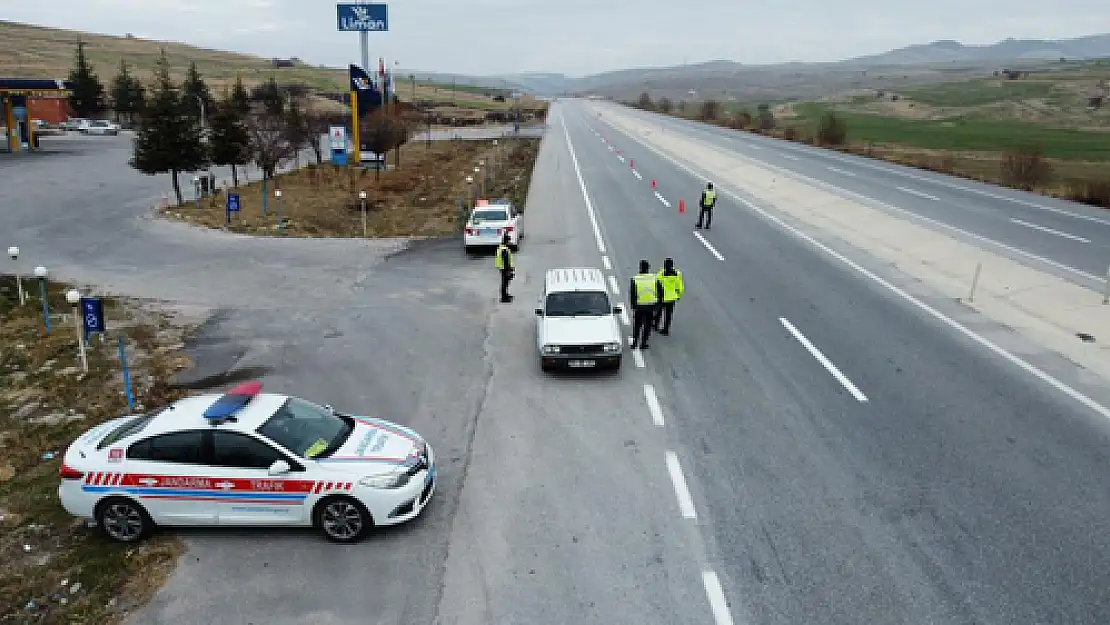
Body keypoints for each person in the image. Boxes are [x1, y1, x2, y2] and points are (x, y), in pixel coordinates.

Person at [629, 259, 663, 350]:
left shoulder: (635, 279)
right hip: (651, 306)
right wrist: (658, 305)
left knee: (637, 325)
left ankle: (635, 342)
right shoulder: (655, 278)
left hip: (640, 306)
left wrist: (633, 306)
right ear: (648, 268)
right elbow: (661, 292)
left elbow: (633, 294)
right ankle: (643, 343)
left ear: (640, 268)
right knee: (647, 325)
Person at [654, 257, 684, 335]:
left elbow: (656, 285)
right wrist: (678, 295)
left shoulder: (661, 274)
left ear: (664, 265)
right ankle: (666, 329)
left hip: (662, 297)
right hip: (672, 298)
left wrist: (655, 295)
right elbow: (680, 287)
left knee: (658, 312)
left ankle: (655, 325)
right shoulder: (677, 274)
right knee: (668, 315)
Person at [495, 233, 514, 303]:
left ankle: (505, 295)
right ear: (506, 241)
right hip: (505, 269)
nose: (510, 242)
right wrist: (509, 270)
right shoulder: (504, 250)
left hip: (502, 268)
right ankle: (504, 298)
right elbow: (506, 261)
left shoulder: (501, 247)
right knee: (505, 283)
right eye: (509, 241)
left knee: (505, 282)